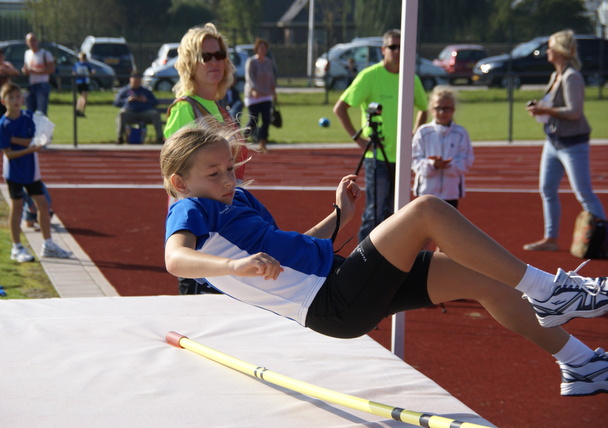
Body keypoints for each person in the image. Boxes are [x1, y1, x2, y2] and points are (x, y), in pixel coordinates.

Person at [161, 122, 608, 397]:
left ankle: (581, 363)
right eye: (213, 173)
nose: (227, 179)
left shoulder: (238, 198)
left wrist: (339, 217)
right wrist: (233, 268)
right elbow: (175, 259)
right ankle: (551, 291)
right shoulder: (189, 208)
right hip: (330, 303)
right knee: (426, 210)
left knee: (483, 279)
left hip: (337, 281)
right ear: (180, 181)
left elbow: (287, 250)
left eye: (230, 168)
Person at [164, 22, 248, 295]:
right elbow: (178, 176)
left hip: (227, 225)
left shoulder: (221, 109)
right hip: (202, 234)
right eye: (205, 56)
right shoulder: (185, 109)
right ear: (190, 62)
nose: (215, 62)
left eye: (220, 55)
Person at [334, 29, 428, 242]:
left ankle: (389, 262)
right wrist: (358, 139)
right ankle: (363, 263)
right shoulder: (370, 76)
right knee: (375, 213)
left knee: (397, 213)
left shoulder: (410, 78)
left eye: (402, 47)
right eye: (393, 47)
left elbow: (424, 108)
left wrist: (414, 135)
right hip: (376, 156)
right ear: (383, 50)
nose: (397, 52)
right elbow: (340, 108)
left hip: (403, 158)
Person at [523, 29, 606, 252]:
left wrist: (546, 109)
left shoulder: (572, 77)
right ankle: (550, 238)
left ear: (559, 50)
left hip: (572, 144)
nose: (547, 51)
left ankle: (603, 239)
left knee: (584, 193)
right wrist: (540, 109)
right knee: (547, 189)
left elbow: (574, 112)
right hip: (553, 141)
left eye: (550, 47)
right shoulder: (556, 76)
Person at [0, 82, 72, 262]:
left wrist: (22, 141)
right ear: (3, 101)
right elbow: (9, 153)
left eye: (18, 97)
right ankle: (16, 248)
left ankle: (48, 245)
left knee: (43, 205)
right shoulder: (3, 125)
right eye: (11, 97)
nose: (15, 100)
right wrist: (29, 148)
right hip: (14, 172)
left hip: (31, 170)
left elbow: (36, 139)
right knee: (17, 208)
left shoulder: (29, 117)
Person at [412, 86, 474, 210]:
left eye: (446, 108)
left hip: (450, 192)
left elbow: (467, 159)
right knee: (425, 228)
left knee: (448, 228)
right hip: (426, 192)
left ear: (453, 110)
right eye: (438, 108)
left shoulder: (460, 133)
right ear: (431, 110)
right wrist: (433, 164)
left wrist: (449, 165)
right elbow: (414, 159)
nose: (442, 112)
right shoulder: (423, 132)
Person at [243, 38, 276, 153]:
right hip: (254, 95)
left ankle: (262, 143)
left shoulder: (268, 62)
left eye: (265, 48)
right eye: (260, 47)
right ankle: (242, 140)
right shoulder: (251, 61)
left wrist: (274, 91)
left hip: (266, 94)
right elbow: (249, 77)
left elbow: (271, 77)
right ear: (256, 49)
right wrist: (253, 90)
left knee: (266, 119)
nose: (263, 50)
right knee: (253, 120)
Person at [114, 71, 163, 145]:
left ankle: (159, 138)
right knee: (122, 114)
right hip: (130, 112)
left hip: (144, 113)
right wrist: (127, 100)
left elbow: (155, 102)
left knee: (155, 114)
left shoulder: (145, 91)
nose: (136, 82)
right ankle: (120, 138)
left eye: (138, 81)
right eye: (134, 80)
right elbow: (116, 103)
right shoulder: (124, 91)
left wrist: (146, 100)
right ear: (130, 80)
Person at [22, 32, 55, 115]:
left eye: (34, 40)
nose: (32, 43)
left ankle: (42, 128)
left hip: (42, 85)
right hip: (31, 85)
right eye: (30, 41)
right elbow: (26, 67)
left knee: (41, 112)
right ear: (27, 42)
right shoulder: (27, 54)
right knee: (30, 111)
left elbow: (51, 69)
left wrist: (35, 71)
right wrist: (25, 71)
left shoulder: (45, 54)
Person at [72, 52, 95, 118]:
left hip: (78, 82)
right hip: (84, 82)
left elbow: (73, 73)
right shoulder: (86, 65)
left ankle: (77, 109)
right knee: (84, 97)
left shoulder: (76, 64)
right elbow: (92, 71)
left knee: (81, 96)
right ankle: (82, 111)